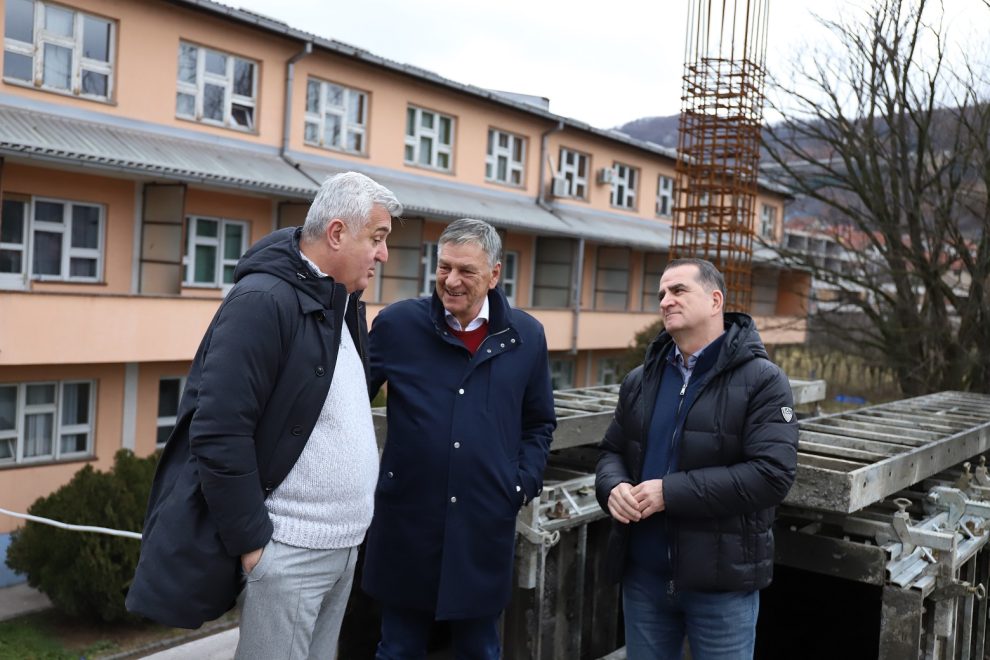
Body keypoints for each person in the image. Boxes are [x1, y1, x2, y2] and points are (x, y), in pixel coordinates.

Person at [125, 172, 402, 660]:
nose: (383, 254)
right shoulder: (263, 301)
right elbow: (219, 431)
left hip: (342, 548)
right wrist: (255, 546)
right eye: (377, 238)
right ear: (337, 233)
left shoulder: (341, 302)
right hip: (289, 552)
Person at [362, 217, 556, 659]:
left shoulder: (526, 336)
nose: (451, 281)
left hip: (482, 525)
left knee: (480, 650)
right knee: (398, 649)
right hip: (407, 523)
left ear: (494, 274)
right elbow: (349, 407)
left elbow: (539, 422)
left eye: (466, 270)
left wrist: (519, 485)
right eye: (444, 267)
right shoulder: (397, 325)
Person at [595, 258, 798, 660]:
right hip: (645, 580)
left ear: (715, 300)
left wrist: (669, 493)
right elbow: (612, 451)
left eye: (678, 290)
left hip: (721, 586)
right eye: (661, 294)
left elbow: (772, 475)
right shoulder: (640, 380)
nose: (665, 300)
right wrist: (612, 487)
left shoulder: (763, 380)